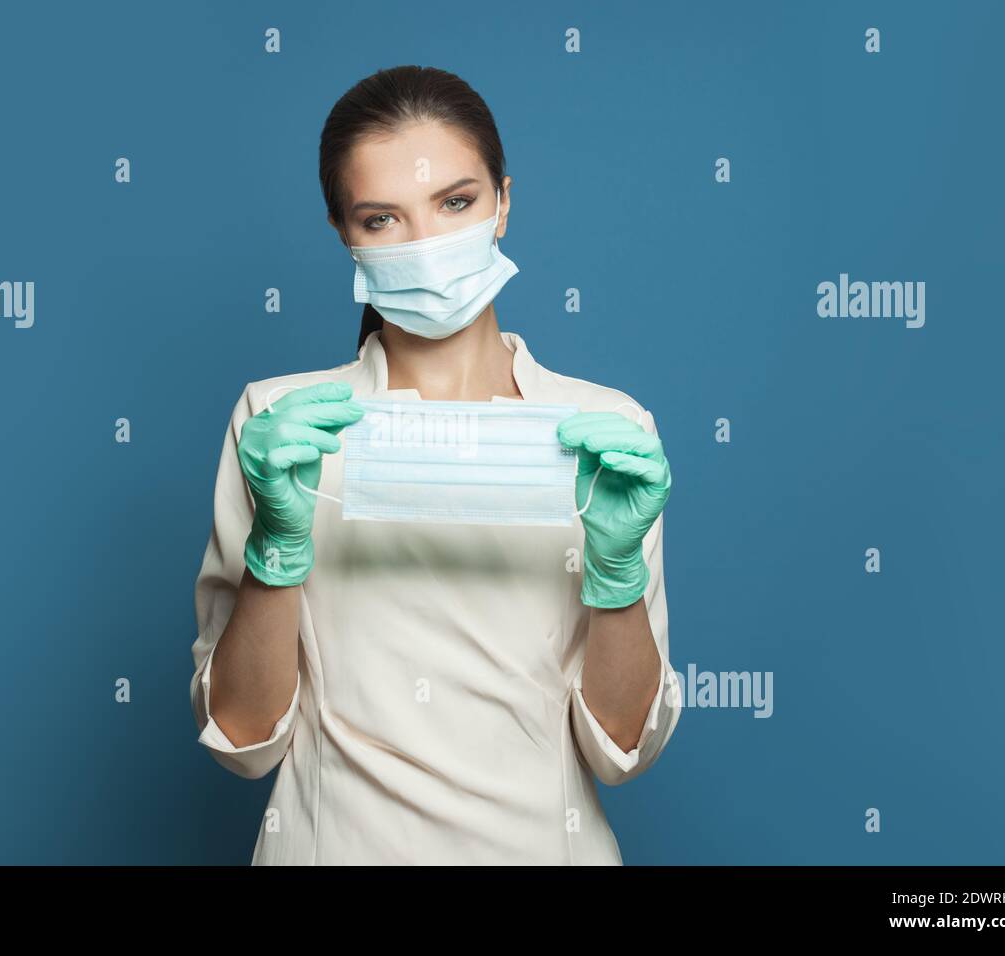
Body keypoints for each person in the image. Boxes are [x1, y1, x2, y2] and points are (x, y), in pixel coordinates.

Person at [191, 65, 679, 865]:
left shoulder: (604, 431)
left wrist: (617, 572)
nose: (427, 245)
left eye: (456, 203)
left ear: (504, 203)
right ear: (344, 235)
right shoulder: (281, 426)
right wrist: (275, 553)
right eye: (382, 218)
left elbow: (622, 747)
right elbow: (241, 739)